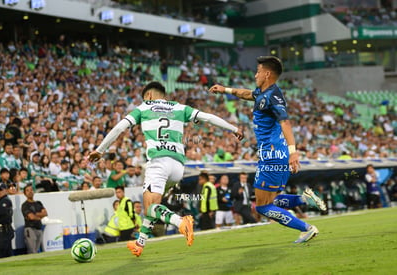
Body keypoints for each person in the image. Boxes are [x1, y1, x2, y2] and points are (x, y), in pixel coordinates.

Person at [89, 81, 243, 257]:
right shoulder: (179, 108)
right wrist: (233, 128)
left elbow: (119, 127)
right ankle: (140, 243)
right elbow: (207, 117)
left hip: (158, 162)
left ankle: (180, 222)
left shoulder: (144, 107)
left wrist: (100, 150)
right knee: (153, 206)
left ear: (148, 96)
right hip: (178, 166)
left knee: (150, 207)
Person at [209, 56, 326, 243]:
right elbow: (247, 94)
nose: (255, 75)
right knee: (271, 201)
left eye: (258, 71)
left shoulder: (273, 96)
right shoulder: (263, 93)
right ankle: (305, 199)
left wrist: (293, 152)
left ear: (267, 74)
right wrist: (226, 90)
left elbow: (285, 122)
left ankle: (307, 228)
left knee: (262, 207)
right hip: (274, 154)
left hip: (272, 155)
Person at [21, 185, 48, 254]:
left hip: (39, 228)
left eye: (31, 190)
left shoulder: (38, 203)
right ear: (24, 193)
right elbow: (31, 217)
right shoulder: (25, 205)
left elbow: (45, 213)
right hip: (30, 229)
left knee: (37, 249)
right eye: (27, 190)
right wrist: (39, 215)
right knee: (32, 250)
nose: (30, 192)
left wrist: (35, 214)